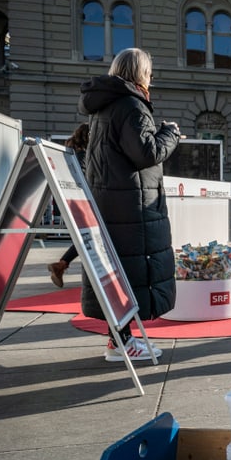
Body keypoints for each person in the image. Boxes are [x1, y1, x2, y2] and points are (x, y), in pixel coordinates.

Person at [78, 47, 180, 361]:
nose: (151, 79)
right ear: (138, 74)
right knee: (129, 274)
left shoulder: (104, 107)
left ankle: (121, 340)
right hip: (130, 206)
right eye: (148, 73)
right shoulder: (131, 106)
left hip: (111, 203)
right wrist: (170, 133)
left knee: (117, 274)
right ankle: (121, 344)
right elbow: (146, 153)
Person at [47, 122, 90, 287]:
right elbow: (83, 181)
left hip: (71, 203)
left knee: (86, 238)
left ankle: (61, 265)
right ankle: (61, 265)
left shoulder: (70, 154)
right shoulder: (82, 156)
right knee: (89, 237)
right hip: (82, 203)